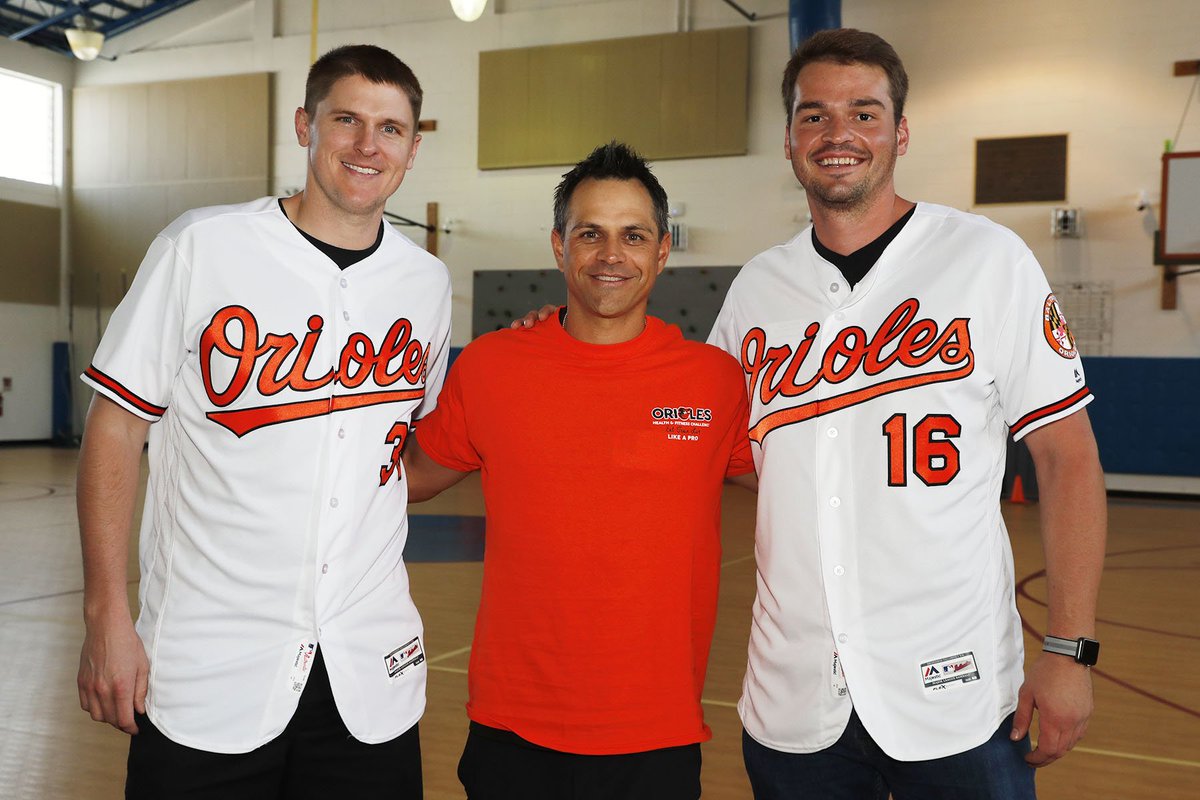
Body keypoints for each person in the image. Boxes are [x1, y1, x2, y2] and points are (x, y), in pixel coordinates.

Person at [706, 28, 1108, 799]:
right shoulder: (757, 288)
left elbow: (1068, 458)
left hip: (959, 695)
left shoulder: (986, 259)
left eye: (864, 112)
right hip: (794, 696)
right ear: (789, 140)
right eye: (814, 115)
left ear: (901, 131)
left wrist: (1068, 649)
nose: (838, 134)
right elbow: (724, 451)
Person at [75, 44, 450, 798]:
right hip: (210, 669)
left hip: (365, 675)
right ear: (305, 125)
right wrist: (106, 614)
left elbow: (402, 462)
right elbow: (115, 428)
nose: (367, 144)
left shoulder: (425, 283)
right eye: (346, 119)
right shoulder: (203, 246)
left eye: (391, 127)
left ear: (414, 147)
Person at [402, 141, 755, 800]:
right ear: (560, 247)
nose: (611, 255)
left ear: (663, 250)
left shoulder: (715, 381)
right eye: (590, 234)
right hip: (513, 728)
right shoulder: (490, 367)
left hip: (656, 732)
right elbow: (408, 479)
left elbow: (809, 480)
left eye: (634, 235)